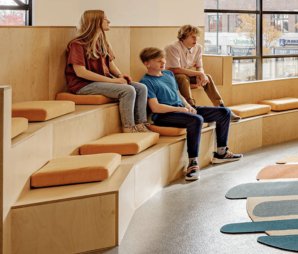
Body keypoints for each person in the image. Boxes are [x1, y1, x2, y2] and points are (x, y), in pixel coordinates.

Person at [138, 47, 242, 181]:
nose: (163, 62)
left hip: (182, 109)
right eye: (158, 61)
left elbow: (178, 94)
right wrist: (182, 110)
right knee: (196, 120)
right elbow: (156, 107)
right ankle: (192, 163)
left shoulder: (168, 74)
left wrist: (188, 106)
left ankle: (221, 152)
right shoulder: (146, 82)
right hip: (164, 116)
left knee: (224, 112)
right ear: (147, 64)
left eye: (163, 59)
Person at [65, 10, 150, 134]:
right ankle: (128, 128)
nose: (108, 21)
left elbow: (110, 64)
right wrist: (112, 81)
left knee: (141, 88)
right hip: (83, 84)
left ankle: (140, 124)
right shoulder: (77, 44)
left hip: (102, 81)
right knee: (127, 90)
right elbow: (81, 72)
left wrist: (120, 75)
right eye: (105, 19)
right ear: (95, 22)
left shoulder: (103, 42)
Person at [164, 25, 239, 121]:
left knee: (207, 77)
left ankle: (221, 107)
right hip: (171, 76)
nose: (196, 39)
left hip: (186, 74)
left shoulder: (198, 47)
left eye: (197, 36)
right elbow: (175, 69)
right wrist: (198, 74)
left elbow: (199, 66)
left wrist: (201, 75)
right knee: (183, 77)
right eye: (192, 36)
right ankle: (191, 107)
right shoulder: (173, 47)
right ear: (183, 37)